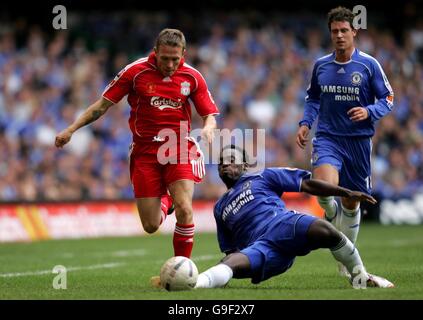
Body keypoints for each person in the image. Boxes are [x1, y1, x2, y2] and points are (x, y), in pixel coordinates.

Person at [55, 28, 219, 260]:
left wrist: (209, 127)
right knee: (151, 225)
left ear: (183, 53)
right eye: (165, 59)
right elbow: (101, 106)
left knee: (185, 208)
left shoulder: (192, 77)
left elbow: (209, 114)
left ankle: (183, 267)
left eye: (175, 59)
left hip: (178, 146)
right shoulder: (135, 72)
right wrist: (71, 129)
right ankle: (167, 199)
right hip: (145, 152)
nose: (170, 65)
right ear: (155, 52)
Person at [194, 145, 394, 289]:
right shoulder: (219, 207)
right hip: (260, 247)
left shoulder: (262, 176)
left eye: (230, 160)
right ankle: (193, 283)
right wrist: (228, 267)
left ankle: (359, 277)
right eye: (220, 163)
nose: (224, 165)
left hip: (283, 224)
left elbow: (308, 184)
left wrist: (346, 193)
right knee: (228, 264)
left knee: (326, 231)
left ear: (245, 165)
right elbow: (230, 249)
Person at [296, 7, 394, 275]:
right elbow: (313, 98)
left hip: (359, 142)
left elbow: (388, 98)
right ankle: (330, 214)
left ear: (354, 32)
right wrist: (306, 123)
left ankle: (344, 257)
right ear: (330, 34)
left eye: (343, 31)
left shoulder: (369, 65)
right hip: (328, 138)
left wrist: (369, 111)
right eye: (334, 31)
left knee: (351, 202)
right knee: (325, 189)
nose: (339, 35)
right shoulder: (321, 65)